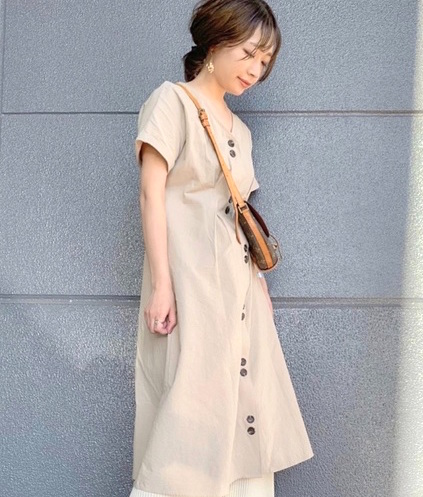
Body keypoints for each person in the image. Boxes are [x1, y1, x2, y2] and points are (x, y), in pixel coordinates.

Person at [130, 1, 314, 496]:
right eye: (249, 53)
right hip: (191, 285)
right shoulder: (171, 102)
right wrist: (163, 285)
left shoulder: (242, 132)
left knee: (246, 401)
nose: (256, 69)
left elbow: (238, 215)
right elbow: (150, 194)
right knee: (192, 407)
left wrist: (260, 287)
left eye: (265, 60)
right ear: (216, 42)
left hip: (240, 290)